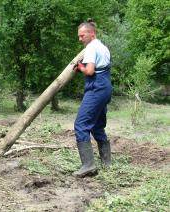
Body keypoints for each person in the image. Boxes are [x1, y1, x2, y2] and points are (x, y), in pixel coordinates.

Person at [73, 18, 112, 177]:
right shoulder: (103, 47)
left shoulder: (91, 48)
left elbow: (89, 71)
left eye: (82, 36)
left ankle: (88, 165)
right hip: (105, 87)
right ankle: (107, 163)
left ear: (91, 33)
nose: (80, 39)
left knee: (81, 125)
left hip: (96, 87)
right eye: (79, 36)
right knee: (97, 126)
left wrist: (79, 66)